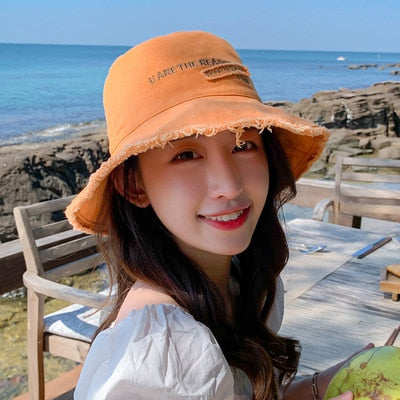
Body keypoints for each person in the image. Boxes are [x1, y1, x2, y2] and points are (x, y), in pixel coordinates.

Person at [66, 31, 362, 400]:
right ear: (135, 185)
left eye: (243, 145)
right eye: (186, 155)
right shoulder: (160, 351)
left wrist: (324, 384)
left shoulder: (244, 282)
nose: (229, 186)